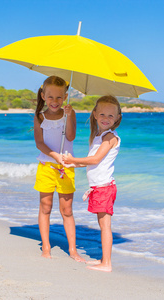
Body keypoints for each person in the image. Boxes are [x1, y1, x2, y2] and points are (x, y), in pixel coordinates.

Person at [62, 95, 122, 272]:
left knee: (105, 226)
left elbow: (95, 159)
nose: (106, 119)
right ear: (95, 114)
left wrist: (73, 158)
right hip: (98, 188)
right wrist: (71, 163)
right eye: (102, 114)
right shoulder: (99, 136)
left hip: (104, 188)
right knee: (102, 225)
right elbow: (90, 161)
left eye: (111, 116)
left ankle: (107, 263)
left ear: (117, 118)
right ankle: (104, 260)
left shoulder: (110, 137)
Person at [33, 75, 84, 262]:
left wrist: (69, 116)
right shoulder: (40, 116)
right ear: (43, 95)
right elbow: (39, 143)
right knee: (45, 206)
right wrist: (54, 155)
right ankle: (46, 246)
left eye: (59, 97)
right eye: (51, 97)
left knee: (67, 209)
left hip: (66, 168)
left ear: (65, 97)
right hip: (46, 166)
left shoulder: (69, 114)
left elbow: (70, 137)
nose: (55, 101)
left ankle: (73, 250)